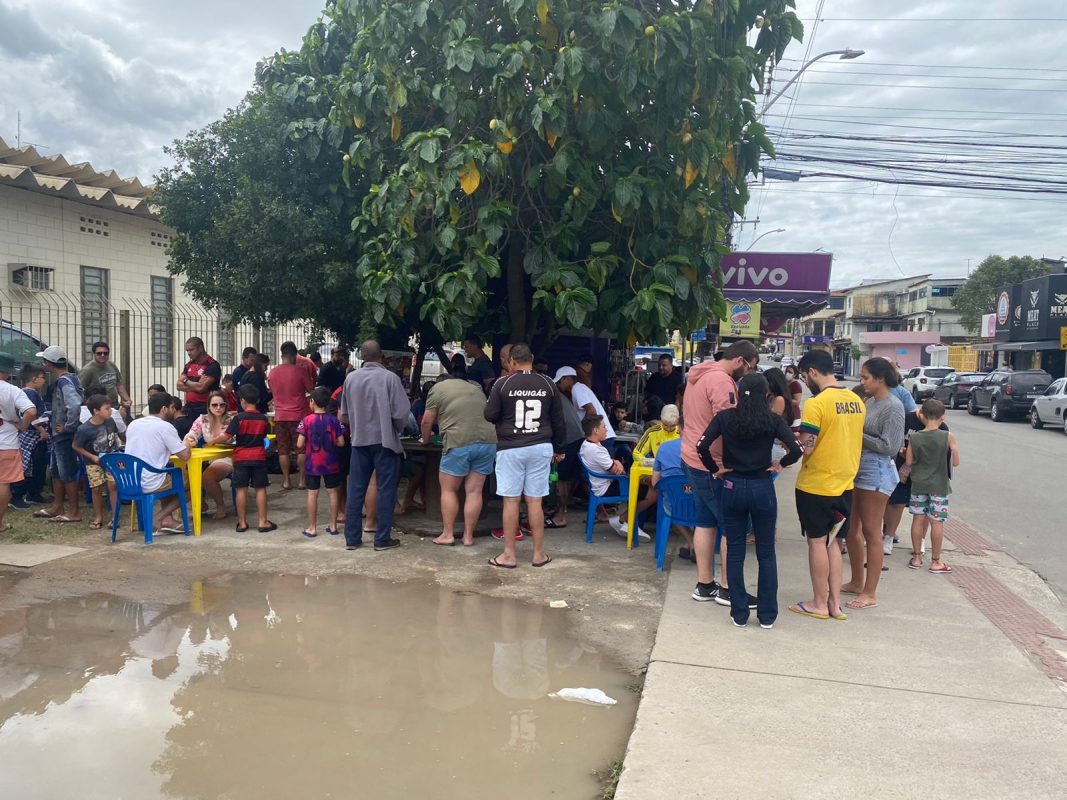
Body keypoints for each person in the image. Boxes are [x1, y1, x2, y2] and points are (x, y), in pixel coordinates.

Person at [697, 373, 802, 628]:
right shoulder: (773, 420)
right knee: (766, 552)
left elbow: (701, 446)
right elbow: (797, 449)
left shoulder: (725, 418)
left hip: (732, 486)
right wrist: (780, 464)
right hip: (762, 488)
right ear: (767, 395)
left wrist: (715, 468)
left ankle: (739, 613)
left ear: (737, 393)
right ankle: (767, 615)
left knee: (734, 551)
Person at [788, 349, 865, 622]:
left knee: (817, 543)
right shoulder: (856, 400)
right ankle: (834, 604)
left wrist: (792, 440)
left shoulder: (816, 403)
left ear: (811, 372)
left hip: (817, 485)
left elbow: (807, 447)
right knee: (835, 542)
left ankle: (818, 603)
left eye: (804, 376)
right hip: (845, 485)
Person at [681, 339, 758, 603]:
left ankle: (705, 585)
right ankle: (728, 588)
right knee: (734, 524)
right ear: (739, 361)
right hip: (713, 464)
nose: (748, 375)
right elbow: (730, 426)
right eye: (749, 368)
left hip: (692, 456)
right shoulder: (722, 382)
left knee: (705, 522)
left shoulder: (699, 375)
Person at [484, 343, 566, 568]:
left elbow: (489, 414)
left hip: (510, 447)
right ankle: (538, 554)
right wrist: (559, 448)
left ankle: (509, 555)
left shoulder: (503, 383)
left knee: (511, 500)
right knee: (535, 500)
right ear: (530, 359)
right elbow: (559, 420)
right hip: (540, 447)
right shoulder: (548, 383)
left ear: (511, 361)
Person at [841, 357, 905, 610]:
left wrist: (857, 434)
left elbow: (890, 446)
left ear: (880, 379)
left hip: (876, 472)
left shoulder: (893, 406)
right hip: (859, 469)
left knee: (871, 532)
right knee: (851, 529)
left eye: (866, 377)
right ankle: (857, 581)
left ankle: (870, 592)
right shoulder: (870, 402)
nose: (862, 382)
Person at [340, 340, 411, 552]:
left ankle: (352, 539)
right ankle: (382, 539)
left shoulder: (350, 379)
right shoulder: (390, 378)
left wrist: (359, 425)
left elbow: (344, 416)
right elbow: (401, 414)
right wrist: (395, 429)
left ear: (362, 357)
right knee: (386, 489)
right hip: (385, 442)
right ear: (382, 357)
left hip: (359, 441)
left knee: (356, 489)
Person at [421, 372, 498, 546]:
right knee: (474, 491)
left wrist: (425, 440)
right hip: (488, 441)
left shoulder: (437, 389)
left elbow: (427, 421)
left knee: (449, 489)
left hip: (459, 441)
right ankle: (468, 537)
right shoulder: (474, 388)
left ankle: (448, 534)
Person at [905, 399, 960, 574]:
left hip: (918, 484)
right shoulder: (947, 436)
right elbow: (956, 462)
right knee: (937, 522)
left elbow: (909, 462)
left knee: (917, 519)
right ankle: (935, 561)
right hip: (939, 485)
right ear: (942, 416)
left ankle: (916, 558)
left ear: (922, 414)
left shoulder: (914, 437)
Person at [580, 414, 655, 541]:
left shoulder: (586, 445)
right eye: (604, 427)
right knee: (653, 492)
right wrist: (617, 464)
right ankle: (623, 520)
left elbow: (611, 463)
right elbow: (617, 471)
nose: (606, 429)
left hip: (601, 484)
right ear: (596, 430)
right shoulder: (596, 450)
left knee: (643, 485)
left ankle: (629, 522)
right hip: (607, 487)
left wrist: (616, 462)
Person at [124, 392, 191, 533]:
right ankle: (160, 517)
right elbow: (184, 456)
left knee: (167, 473)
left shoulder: (133, 424)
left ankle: (168, 519)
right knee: (193, 484)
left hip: (129, 481)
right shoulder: (165, 427)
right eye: (173, 408)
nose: (174, 411)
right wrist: (187, 443)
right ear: (164, 409)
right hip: (151, 481)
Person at [216, 384, 274, 533]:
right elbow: (264, 437)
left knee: (241, 489)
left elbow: (226, 436)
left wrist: (211, 441)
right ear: (258, 399)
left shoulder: (238, 419)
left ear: (242, 401)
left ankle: (242, 523)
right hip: (259, 457)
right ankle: (263, 522)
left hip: (241, 458)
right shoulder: (263, 419)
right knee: (260, 489)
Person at [34, 345, 82, 524]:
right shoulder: (71, 379)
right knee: (56, 471)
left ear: (48, 363)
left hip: (64, 435)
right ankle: (58, 506)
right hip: (58, 433)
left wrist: (68, 426)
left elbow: (74, 405)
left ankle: (74, 511)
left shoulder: (63, 382)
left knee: (66, 471)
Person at [297, 386, 346, 538]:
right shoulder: (334, 421)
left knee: (312, 493)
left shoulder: (306, 421)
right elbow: (341, 442)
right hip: (331, 462)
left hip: (313, 464)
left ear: (312, 402)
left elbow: (299, 444)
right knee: (332, 492)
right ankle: (333, 526)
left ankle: (312, 527)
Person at [269, 341, 315, 490]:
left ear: (282, 355)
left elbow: (272, 390)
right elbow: (311, 389)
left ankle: (286, 480)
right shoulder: (301, 371)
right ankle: (302, 480)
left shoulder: (273, 373)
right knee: (301, 448)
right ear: (295, 355)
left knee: (283, 449)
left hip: (280, 416)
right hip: (298, 415)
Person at [71, 394, 122, 530]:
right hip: (93, 463)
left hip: (111, 460)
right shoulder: (84, 429)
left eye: (110, 407)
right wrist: (91, 457)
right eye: (106, 408)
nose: (110, 411)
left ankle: (115, 517)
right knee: (96, 488)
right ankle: (98, 516)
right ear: (96, 411)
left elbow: (115, 437)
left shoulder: (110, 421)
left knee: (113, 486)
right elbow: (76, 446)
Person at [182, 391, 235, 519]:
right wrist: (189, 440)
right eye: (214, 405)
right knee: (187, 474)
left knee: (207, 477)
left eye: (221, 405)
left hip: (229, 456)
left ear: (226, 405)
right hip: (210, 457)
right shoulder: (202, 420)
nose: (218, 408)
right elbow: (191, 434)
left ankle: (221, 506)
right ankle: (201, 505)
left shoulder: (232, 420)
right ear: (209, 406)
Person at [0, 352, 37, 532]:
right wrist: (22, 426)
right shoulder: (12, 390)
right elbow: (31, 411)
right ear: (6, 371)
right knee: (4, 483)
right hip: (6, 442)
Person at [545, 368, 586, 530]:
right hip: (577, 437)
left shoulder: (550, 395)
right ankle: (601, 512)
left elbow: (553, 423)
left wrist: (557, 447)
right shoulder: (558, 395)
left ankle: (560, 516)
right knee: (574, 478)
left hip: (568, 439)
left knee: (561, 479)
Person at [651, 426, 694, 560]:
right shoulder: (704, 448)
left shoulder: (664, 447)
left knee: (670, 504)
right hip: (699, 504)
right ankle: (695, 544)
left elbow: (655, 482)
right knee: (705, 510)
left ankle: (691, 542)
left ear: (679, 429)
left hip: (674, 505)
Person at [78, 341, 132, 419]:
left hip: (115, 408)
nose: (103, 355)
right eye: (99, 353)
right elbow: (80, 392)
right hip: (100, 411)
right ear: (94, 354)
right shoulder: (87, 370)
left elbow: (118, 384)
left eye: (105, 353)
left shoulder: (111, 365)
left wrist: (127, 400)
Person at [176, 337, 222, 418]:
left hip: (205, 408)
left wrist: (186, 381)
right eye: (187, 351)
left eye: (191, 350)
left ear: (200, 348)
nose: (189, 353)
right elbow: (178, 386)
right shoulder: (189, 364)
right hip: (189, 408)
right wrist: (196, 385)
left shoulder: (212, 365)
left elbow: (201, 388)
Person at [783, 365, 804, 430]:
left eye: (790, 372)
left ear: (795, 374)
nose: (787, 373)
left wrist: (783, 400)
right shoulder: (785, 384)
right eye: (786, 371)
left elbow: (797, 402)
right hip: (786, 415)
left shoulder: (796, 385)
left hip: (794, 416)